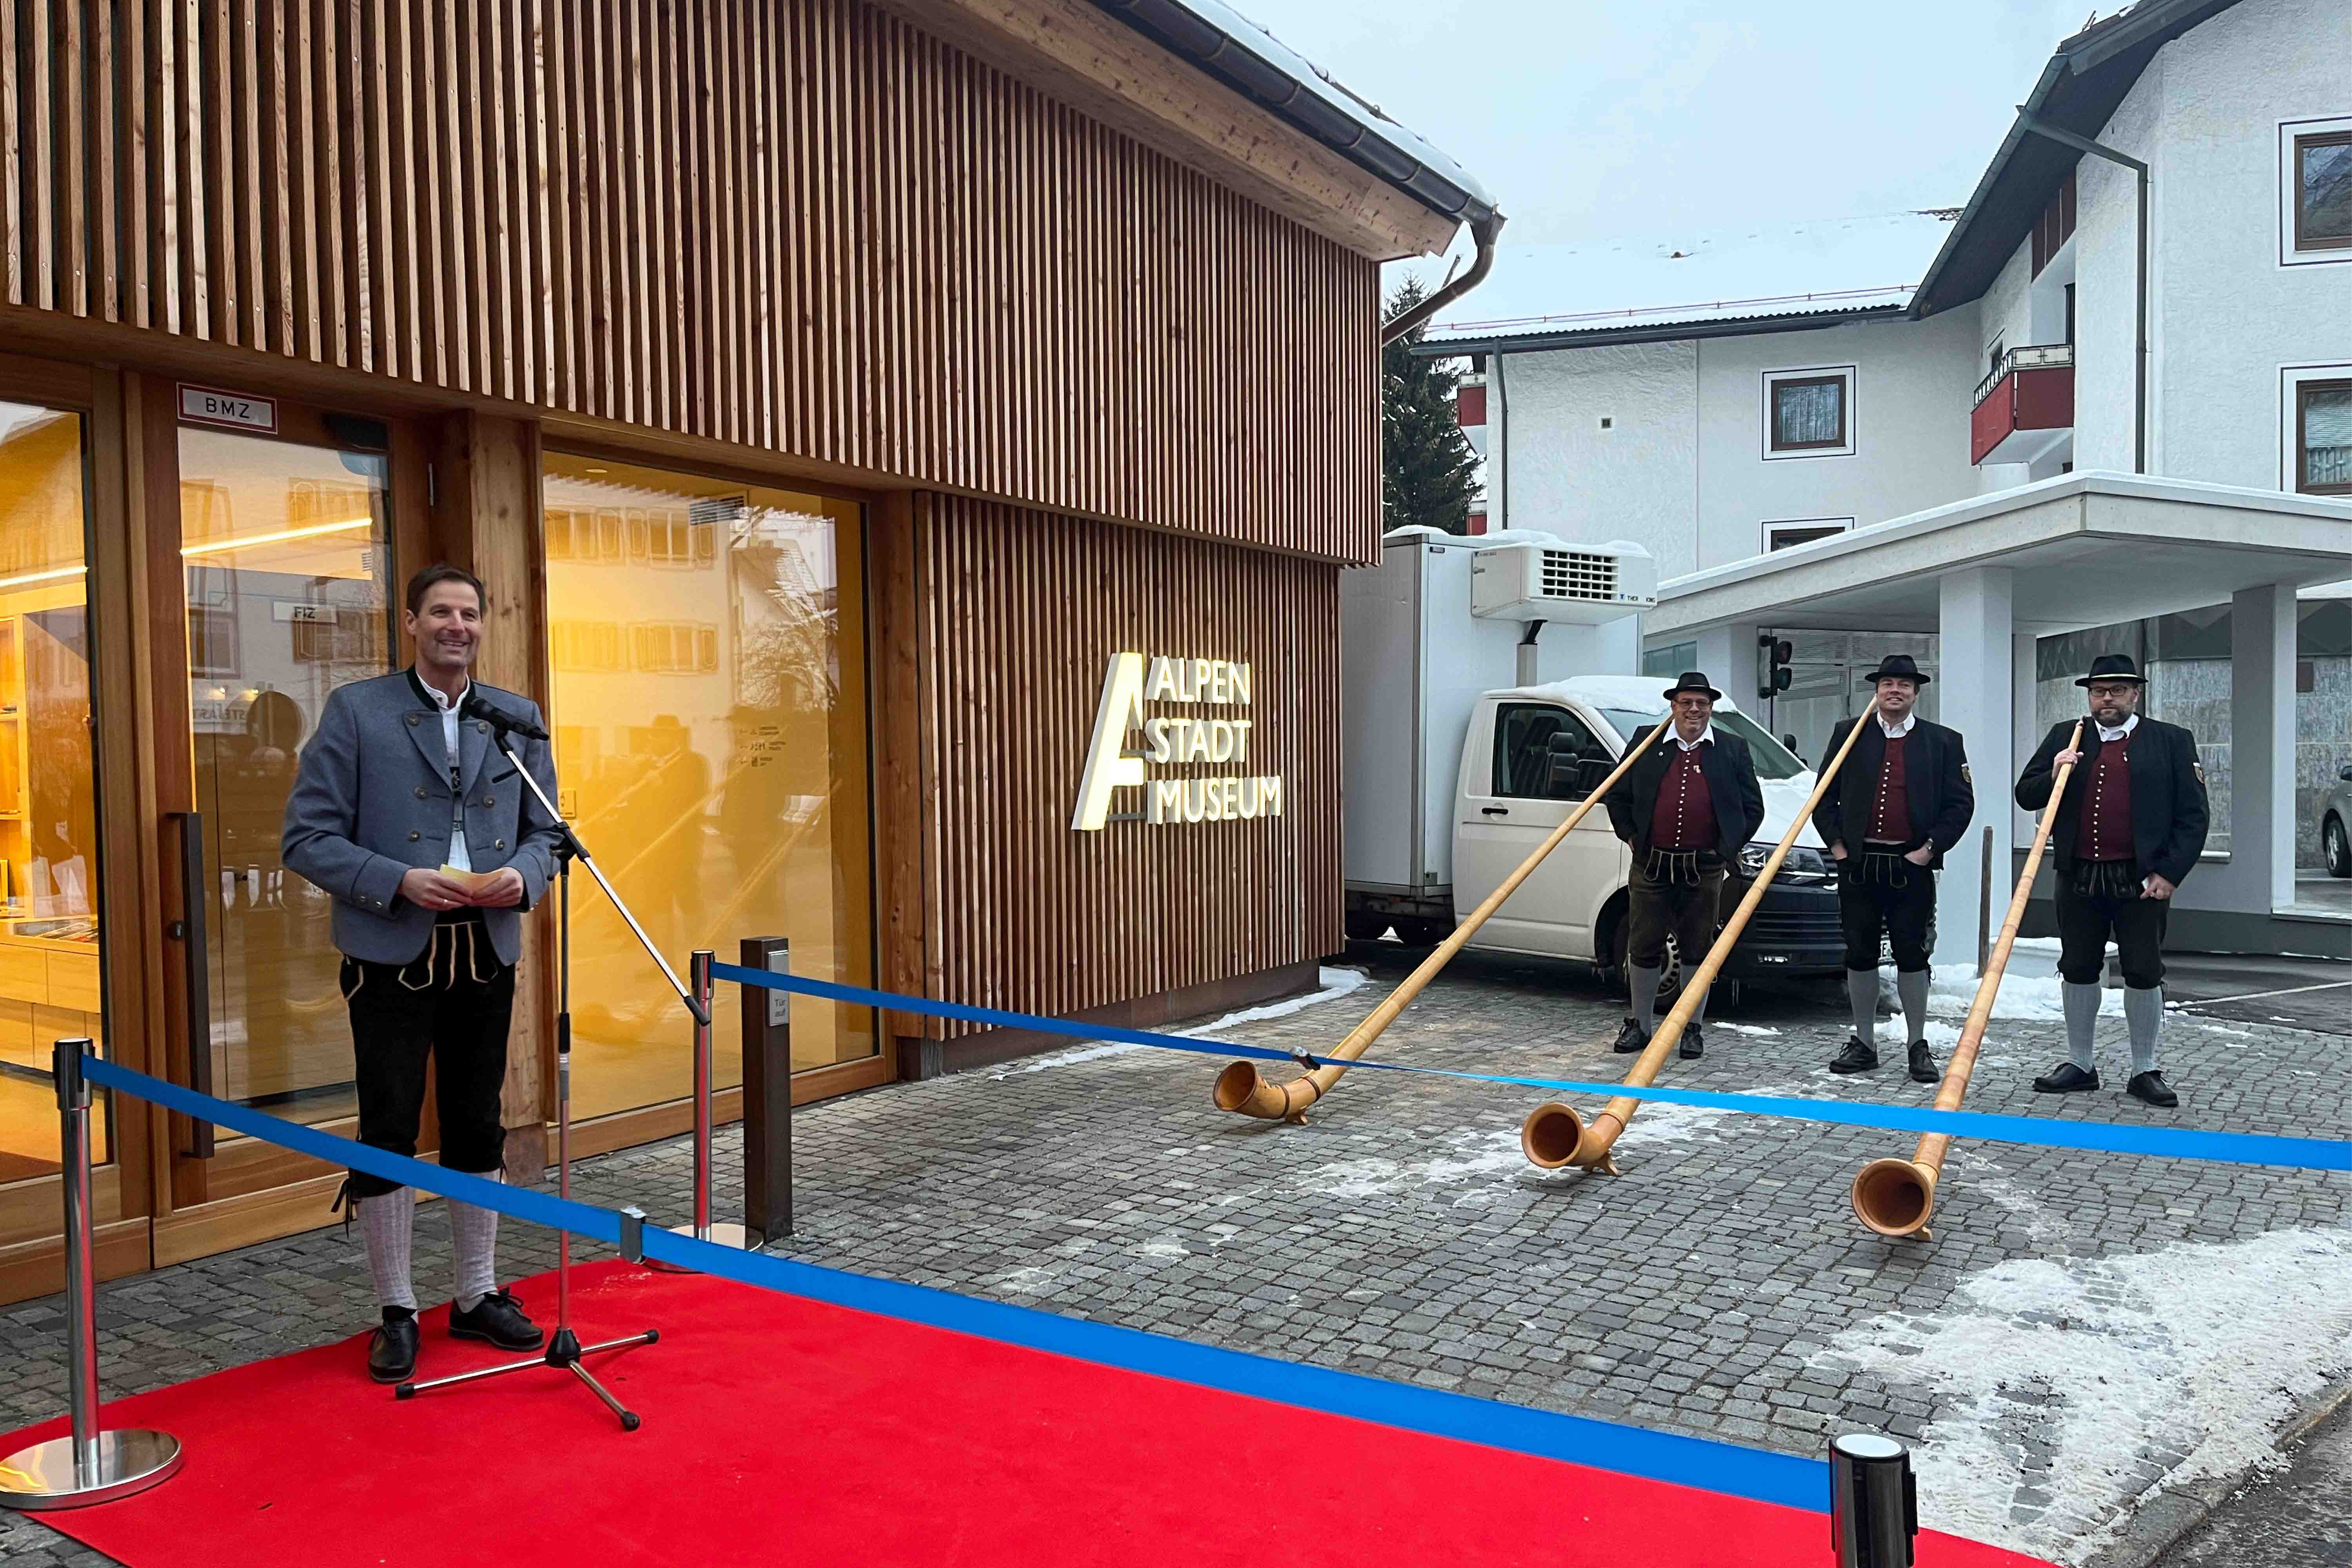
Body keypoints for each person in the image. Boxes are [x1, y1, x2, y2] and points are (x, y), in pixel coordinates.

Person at [282, 564, 564, 1383]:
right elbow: (306, 837)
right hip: (390, 953)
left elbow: (549, 833)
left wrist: (525, 875)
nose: (457, 625)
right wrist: (395, 880)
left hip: (486, 947)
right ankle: (397, 1307)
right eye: (441, 611)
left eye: (470, 612)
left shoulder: (514, 717)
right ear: (411, 622)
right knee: (390, 1127)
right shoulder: (357, 710)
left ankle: (476, 1294)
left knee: (479, 1124)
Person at [2014, 653, 2208, 1108]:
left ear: (2135, 694)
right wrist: (2055, 769)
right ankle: (2081, 1064)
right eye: (2099, 691)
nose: (2107, 699)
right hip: (2079, 874)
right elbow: (2026, 794)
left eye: (2117, 691)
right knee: (2079, 966)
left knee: (2143, 970)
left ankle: (2145, 1069)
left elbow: (2194, 816)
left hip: (2141, 879)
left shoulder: (2171, 741)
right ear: (2089, 696)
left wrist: (2170, 873)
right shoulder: (2068, 735)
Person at [1813, 654, 1974, 1083]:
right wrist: (1839, 846)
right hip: (1860, 864)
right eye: (1888, 683)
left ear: (1916, 692)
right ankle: (1863, 1042)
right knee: (1860, 953)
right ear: (1877, 690)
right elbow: (1823, 796)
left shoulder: (1943, 742)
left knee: (1913, 955)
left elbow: (1961, 805)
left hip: (1910, 865)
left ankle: (1917, 1044)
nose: (1895, 691)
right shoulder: (1849, 735)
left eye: (1904, 684)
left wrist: (1930, 849)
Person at [1602, 671, 1766, 1061]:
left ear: (1712, 708)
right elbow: (1617, 794)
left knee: (1697, 949)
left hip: (1703, 868)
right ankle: (1639, 1024)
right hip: (1652, 864)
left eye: (1702, 704)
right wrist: (1629, 836)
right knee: (1642, 945)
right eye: (1686, 703)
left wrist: (1727, 848)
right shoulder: (1647, 742)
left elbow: (1752, 808)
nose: (1694, 710)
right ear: (1673, 706)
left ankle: (1691, 1028)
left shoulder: (1731, 748)